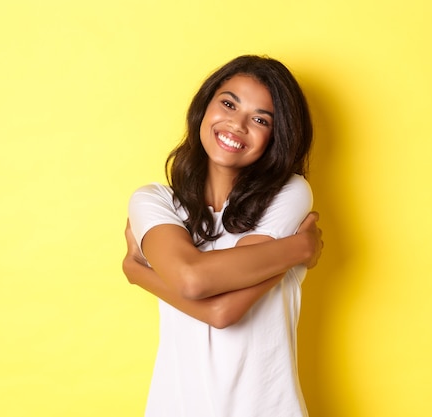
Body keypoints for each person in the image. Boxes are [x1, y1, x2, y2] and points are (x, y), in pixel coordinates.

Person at [123, 55, 323, 417]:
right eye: (228, 103)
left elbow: (223, 310)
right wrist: (298, 248)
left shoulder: (289, 193)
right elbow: (195, 282)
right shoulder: (153, 201)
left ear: (276, 137)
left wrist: (139, 272)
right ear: (205, 107)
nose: (237, 124)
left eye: (260, 119)